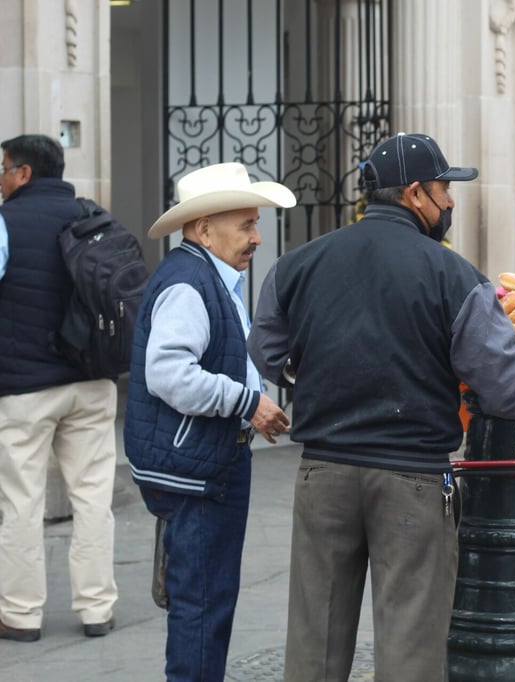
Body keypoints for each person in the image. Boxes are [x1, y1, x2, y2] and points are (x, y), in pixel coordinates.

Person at [247, 132, 515, 681]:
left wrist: (317, 373)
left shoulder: (297, 264)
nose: (450, 202)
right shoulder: (454, 276)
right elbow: (508, 387)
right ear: (415, 194)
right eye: (445, 189)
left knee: (315, 641)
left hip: (323, 474)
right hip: (411, 480)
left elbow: (266, 351)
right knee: (410, 646)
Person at [123, 162, 294, 680]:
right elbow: (169, 373)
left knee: (207, 604)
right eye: (246, 225)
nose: (257, 237)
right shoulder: (190, 283)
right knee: (201, 609)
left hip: (202, 464)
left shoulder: (204, 275)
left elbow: (218, 356)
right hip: (195, 472)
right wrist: (247, 403)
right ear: (203, 229)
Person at [0, 134, 119, 642]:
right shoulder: (95, 218)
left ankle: (21, 614)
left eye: (4, 168)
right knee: (93, 498)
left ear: (25, 173)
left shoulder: (4, 222)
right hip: (91, 381)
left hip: (24, 388)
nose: (1, 178)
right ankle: (97, 608)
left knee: (20, 502)